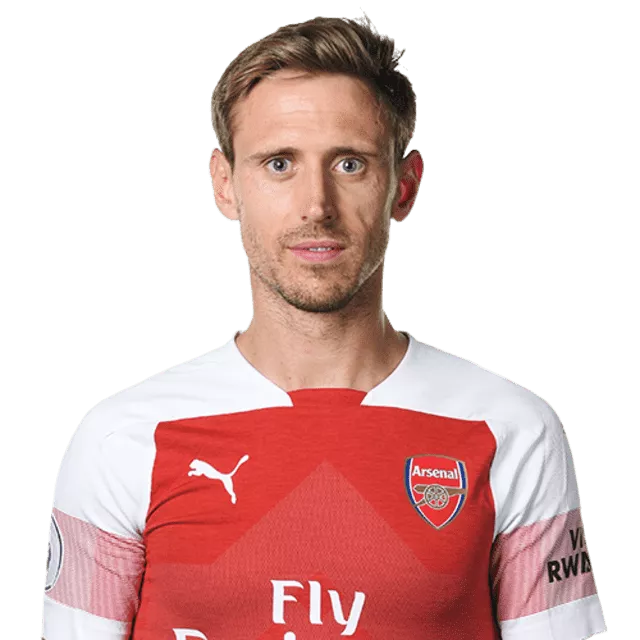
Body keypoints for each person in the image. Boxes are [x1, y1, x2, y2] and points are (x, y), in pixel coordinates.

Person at [41, 11, 607, 640]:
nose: (316, 206)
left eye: (350, 164)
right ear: (225, 185)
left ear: (404, 186)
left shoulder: (510, 429)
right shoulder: (124, 437)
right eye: (279, 164)